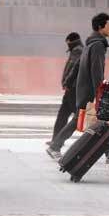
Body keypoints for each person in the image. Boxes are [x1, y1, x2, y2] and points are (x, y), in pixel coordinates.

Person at [46, 13, 109, 160]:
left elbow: (77, 66)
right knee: (101, 119)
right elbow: (97, 71)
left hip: (83, 88)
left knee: (83, 119)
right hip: (90, 89)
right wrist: (99, 92)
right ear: (101, 27)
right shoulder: (98, 45)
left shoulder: (89, 43)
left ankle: (55, 146)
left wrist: (69, 82)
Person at [45, 32, 83, 160]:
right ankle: (55, 141)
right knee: (63, 114)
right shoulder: (77, 50)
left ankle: (56, 143)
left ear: (69, 40)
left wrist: (67, 82)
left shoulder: (77, 50)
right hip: (71, 88)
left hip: (72, 89)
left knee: (76, 118)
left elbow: (73, 68)